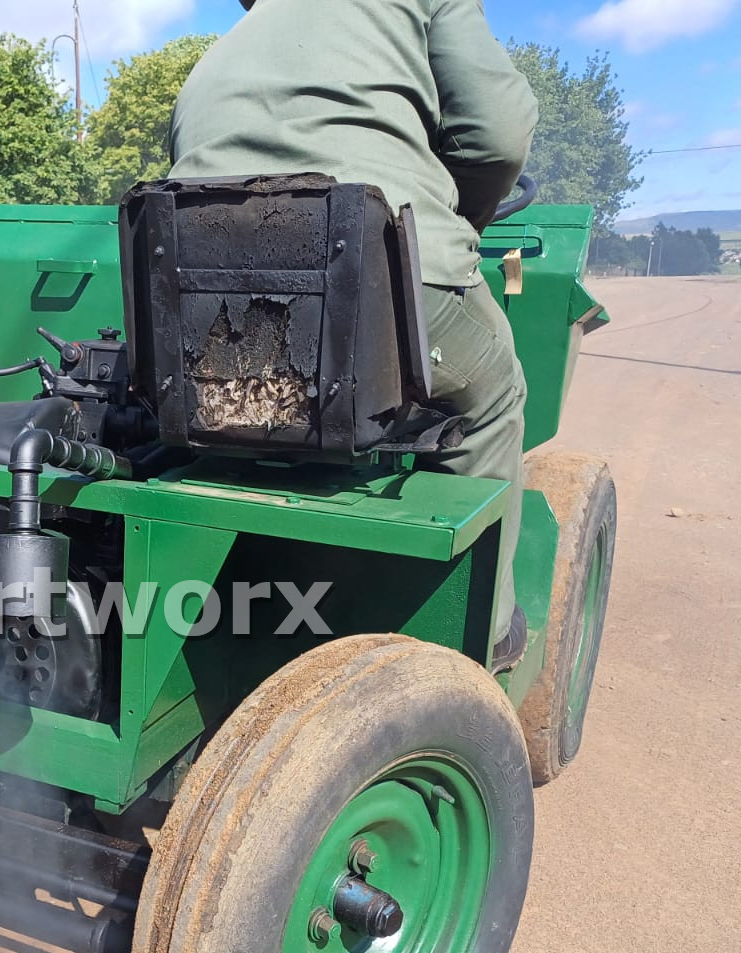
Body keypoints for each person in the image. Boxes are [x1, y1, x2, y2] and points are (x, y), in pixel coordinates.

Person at [169, 0, 538, 666]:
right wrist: (457, 226)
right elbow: (498, 135)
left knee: (239, 398)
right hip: (377, 258)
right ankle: (483, 633)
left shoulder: (227, 44)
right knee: (495, 394)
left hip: (198, 285)